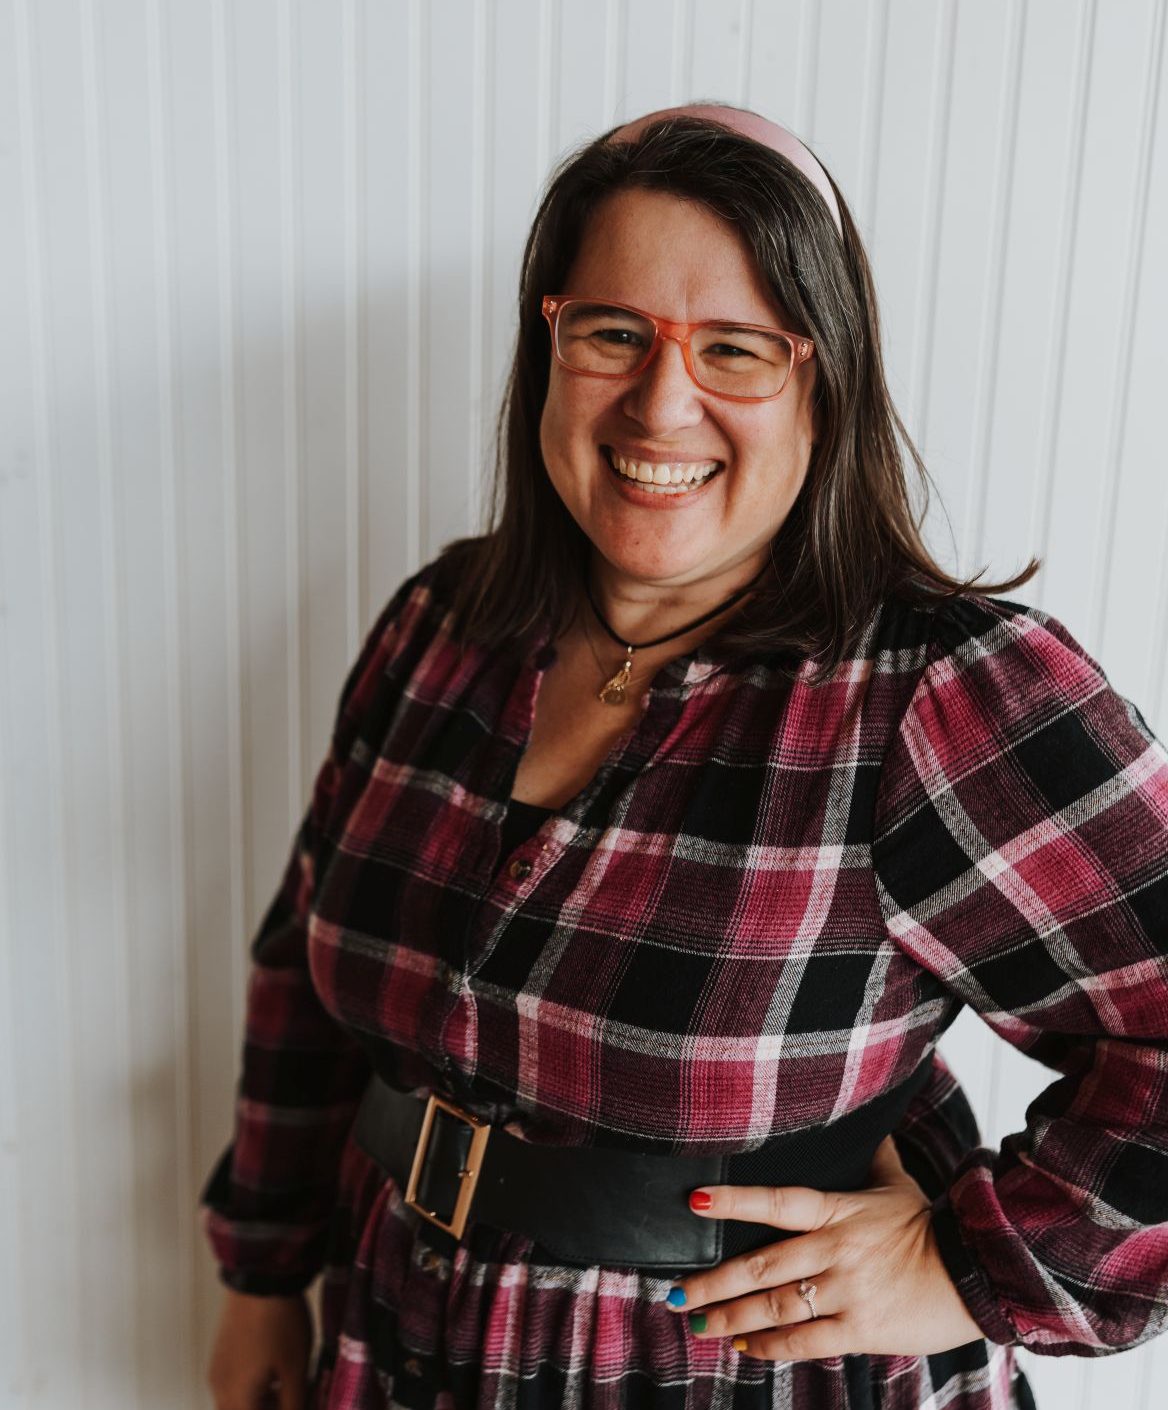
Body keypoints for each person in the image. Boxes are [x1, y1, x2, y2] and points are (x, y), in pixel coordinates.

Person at [200, 103, 1168, 1410]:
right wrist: (262, 1275)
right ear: (548, 341)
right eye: (614, 334)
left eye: (736, 348)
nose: (664, 400)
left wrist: (969, 1266)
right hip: (395, 1338)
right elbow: (298, 973)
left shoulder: (939, 693)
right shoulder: (443, 627)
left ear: (824, 380)